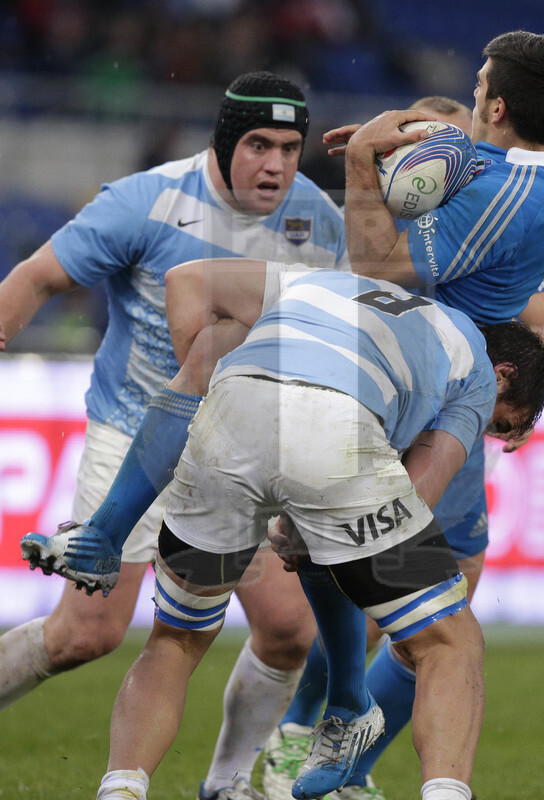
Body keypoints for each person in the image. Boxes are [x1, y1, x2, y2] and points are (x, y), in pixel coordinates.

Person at [0, 70, 350, 800]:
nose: (276, 164)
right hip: (133, 438)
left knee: (289, 630)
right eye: (258, 144)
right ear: (225, 143)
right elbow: (34, 277)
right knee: (85, 635)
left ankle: (226, 785)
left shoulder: (317, 217)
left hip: (244, 456)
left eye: (290, 147)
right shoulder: (147, 200)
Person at [93, 257, 544, 800]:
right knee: (450, 644)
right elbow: (419, 493)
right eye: (499, 424)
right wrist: (324, 521)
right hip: (336, 428)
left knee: (174, 637)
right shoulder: (474, 367)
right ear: (505, 376)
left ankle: (121, 787)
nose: (486, 436)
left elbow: (188, 279)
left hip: (225, 414)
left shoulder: (324, 281)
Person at [264, 31, 544, 799]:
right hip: (405, 407)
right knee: (407, 604)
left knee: (410, 606)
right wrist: (394, 156)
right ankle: (306, 735)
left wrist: (364, 173)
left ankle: (336, 761)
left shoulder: (495, 204)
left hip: (435, 408)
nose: (468, 97)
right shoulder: (523, 173)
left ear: (496, 106)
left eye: (475, 90)